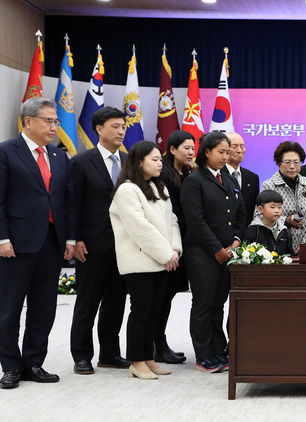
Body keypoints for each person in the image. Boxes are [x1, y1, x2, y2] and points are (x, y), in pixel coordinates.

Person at [0, 98, 77, 389]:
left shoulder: (58, 157)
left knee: (44, 308)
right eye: (49, 121)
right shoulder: (6, 151)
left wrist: (69, 237)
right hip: (15, 245)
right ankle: (10, 366)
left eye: (56, 121)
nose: (54, 126)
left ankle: (33, 362)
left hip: (52, 242)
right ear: (28, 121)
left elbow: (67, 201)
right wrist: (2, 238)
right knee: (8, 308)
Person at [109, 141, 182, 380]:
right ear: (139, 161)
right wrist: (166, 254)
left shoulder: (159, 187)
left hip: (162, 260)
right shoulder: (127, 190)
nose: (160, 163)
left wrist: (174, 250)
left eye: (160, 160)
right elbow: (139, 228)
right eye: (154, 159)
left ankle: (149, 357)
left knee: (154, 311)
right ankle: (136, 361)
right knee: (141, 311)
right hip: (139, 261)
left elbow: (172, 221)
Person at [68, 107, 130, 375]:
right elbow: (72, 205)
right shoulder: (81, 161)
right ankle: (82, 355)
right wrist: (76, 238)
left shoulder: (130, 160)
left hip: (124, 244)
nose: (120, 131)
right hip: (92, 244)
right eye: (115, 126)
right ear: (99, 130)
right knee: (87, 302)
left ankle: (110, 353)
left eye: (123, 127)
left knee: (116, 302)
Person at [182, 131, 247, 373]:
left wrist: (237, 241)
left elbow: (240, 213)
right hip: (203, 254)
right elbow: (196, 221)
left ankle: (218, 350)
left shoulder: (228, 179)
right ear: (207, 152)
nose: (226, 156)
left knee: (218, 303)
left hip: (228, 253)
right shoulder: (194, 181)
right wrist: (217, 249)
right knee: (203, 303)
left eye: (227, 152)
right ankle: (203, 354)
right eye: (221, 152)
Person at [155, 129, 195, 364]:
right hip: (168, 243)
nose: (191, 152)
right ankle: (156, 345)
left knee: (168, 296)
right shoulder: (165, 175)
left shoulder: (187, 172)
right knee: (160, 297)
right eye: (186, 148)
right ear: (172, 150)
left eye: (193, 148)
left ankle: (160, 344)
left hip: (182, 243)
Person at [261, 141, 306, 253]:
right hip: (277, 247)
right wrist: (287, 220)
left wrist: (305, 244)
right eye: (287, 162)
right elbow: (259, 216)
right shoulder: (269, 185)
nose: (292, 167)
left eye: (296, 162)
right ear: (279, 163)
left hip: (304, 249)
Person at [225, 132, 260, 225]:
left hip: (246, 233)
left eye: (242, 146)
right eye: (234, 146)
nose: (239, 150)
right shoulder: (218, 175)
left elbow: (254, 209)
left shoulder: (252, 177)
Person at [244, 190, 293, 255]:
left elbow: (290, 255)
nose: (277, 211)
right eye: (272, 207)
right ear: (260, 209)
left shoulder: (285, 231)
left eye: (279, 207)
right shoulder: (253, 230)